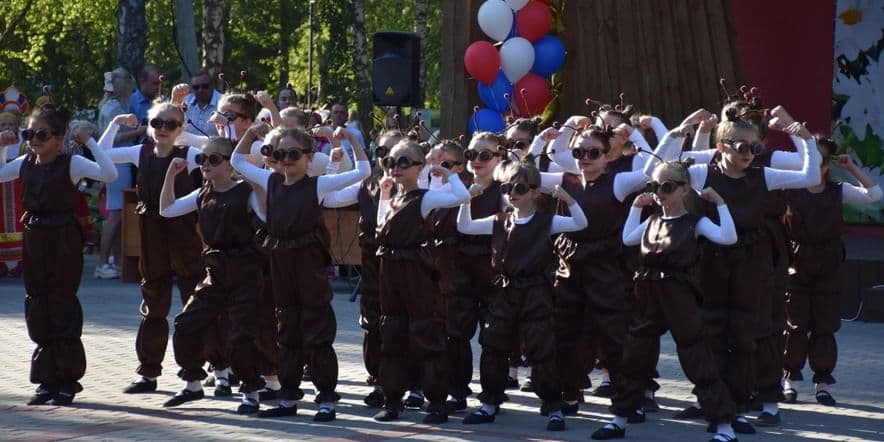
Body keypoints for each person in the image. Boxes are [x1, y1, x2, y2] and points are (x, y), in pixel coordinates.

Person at [649, 106, 820, 434]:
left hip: (750, 259)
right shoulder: (701, 173)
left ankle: (740, 406)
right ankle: (712, 401)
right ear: (722, 146)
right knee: (710, 329)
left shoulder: (762, 174)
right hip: (711, 257)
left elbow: (810, 176)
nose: (750, 153)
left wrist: (803, 136)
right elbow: (656, 169)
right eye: (742, 147)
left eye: (755, 147)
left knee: (744, 333)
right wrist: (679, 130)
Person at [591, 160, 739, 442]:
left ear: (685, 190)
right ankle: (620, 419)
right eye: (655, 186)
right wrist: (636, 207)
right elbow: (627, 239)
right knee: (635, 355)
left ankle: (724, 426)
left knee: (697, 357)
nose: (660, 193)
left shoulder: (695, 222)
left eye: (667, 187)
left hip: (679, 295)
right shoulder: (651, 220)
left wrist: (720, 203)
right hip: (648, 294)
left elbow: (728, 237)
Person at [232, 122, 370, 421]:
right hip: (280, 259)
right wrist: (251, 134)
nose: (285, 160)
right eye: (279, 153)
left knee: (317, 327)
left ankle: (326, 398)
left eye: (293, 153)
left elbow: (363, 172)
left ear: (309, 157)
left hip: (309, 263)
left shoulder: (316, 184)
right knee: (287, 326)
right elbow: (237, 161)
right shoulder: (270, 181)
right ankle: (288, 396)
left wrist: (349, 140)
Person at [0, 104, 118, 406]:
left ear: (58, 138)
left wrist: (89, 141)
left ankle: (67, 380)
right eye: (29, 133)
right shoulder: (25, 162)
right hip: (35, 235)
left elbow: (109, 173)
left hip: (63, 236)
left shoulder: (72, 163)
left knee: (61, 304)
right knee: (37, 304)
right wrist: (3, 148)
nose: (34, 139)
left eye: (41, 134)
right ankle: (46, 380)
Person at [457, 159, 586, 431]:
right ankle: (489, 402)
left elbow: (580, 223)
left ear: (536, 192)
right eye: (506, 187)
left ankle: (553, 406)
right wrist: (466, 201)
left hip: (535, 291)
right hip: (504, 291)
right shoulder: (499, 220)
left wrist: (568, 198)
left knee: (541, 349)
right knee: (494, 346)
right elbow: (465, 227)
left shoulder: (547, 221)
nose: (512, 193)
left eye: (519, 187)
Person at [100, 107, 207, 394]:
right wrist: (114, 123)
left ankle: (199, 375)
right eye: (157, 122)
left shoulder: (190, 155)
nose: (163, 128)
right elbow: (103, 155)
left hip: (183, 233)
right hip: (152, 234)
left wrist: (192, 138)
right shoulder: (141, 152)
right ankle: (148, 373)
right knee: (153, 303)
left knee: (192, 304)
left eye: (171, 124)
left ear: (180, 128)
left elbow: (222, 154)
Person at [158, 137, 268, 414]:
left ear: (230, 164)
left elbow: (267, 216)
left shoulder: (246, 192)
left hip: (245, 271)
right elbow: (166, 209)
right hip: (215, 271)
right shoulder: (201, 193)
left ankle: (251, 391)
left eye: (214, 159)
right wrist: (170, 174)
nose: (206, 164)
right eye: (202, 159)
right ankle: (193, 384)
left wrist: (253, 178)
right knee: (185, 324)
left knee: (241, 334)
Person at [371, 140, 470, 424]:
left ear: (419, 167)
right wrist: (383, 196)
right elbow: (381, 229)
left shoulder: (425, 198)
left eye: (404, 162)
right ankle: (392, 401)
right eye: (391, 161)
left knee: (426, 333)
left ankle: (436, 402)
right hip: (389, 269)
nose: (396, 167)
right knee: (392, 332)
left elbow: (462, 196)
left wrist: (445, 171)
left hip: (417, 270)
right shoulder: (393, 195)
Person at [782, 136, 882, 407]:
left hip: (828, 264)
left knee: (825, 327)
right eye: (809, 158)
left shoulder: (838, 190)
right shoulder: (789, 189)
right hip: (797, 263)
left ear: (827, 165)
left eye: (820, 159)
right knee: (795, 325)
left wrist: (851, 168)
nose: (814, 164)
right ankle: (790, 382)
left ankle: (822, 385)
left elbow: (874, 195)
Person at [321, 129, 404, 408]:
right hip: (371, 268)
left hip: (407, 268)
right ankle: (380, 382)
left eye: (395, 154)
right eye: (382, 153)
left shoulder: (420, 188)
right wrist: (339, 153)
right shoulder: (366, 187)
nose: (388, 160)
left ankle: (414, 385)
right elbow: (328, 198)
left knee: (406, 325)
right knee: (373, 327)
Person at [95, 67, 138, 279]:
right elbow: (116, 138)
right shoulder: (114, 108)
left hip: (114, 162)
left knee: (118, 213)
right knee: (116, 213)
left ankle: (115, 259)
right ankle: (102, 262)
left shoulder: (111, 105)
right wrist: (141, 130)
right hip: (117, 163)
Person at [0, 86, 28, 277]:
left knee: (19, 220)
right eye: (3, 125)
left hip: (19, 188)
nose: (7, 128)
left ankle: (19, 261)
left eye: (11, 124)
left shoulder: (25, 141)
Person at [184, 71, 223, 136]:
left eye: (205, 86)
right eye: (196, 87)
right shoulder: (184, 102)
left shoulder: (223, 103)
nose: (200, 90)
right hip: (186, 145)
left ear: (212, 85)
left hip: (216, 145)